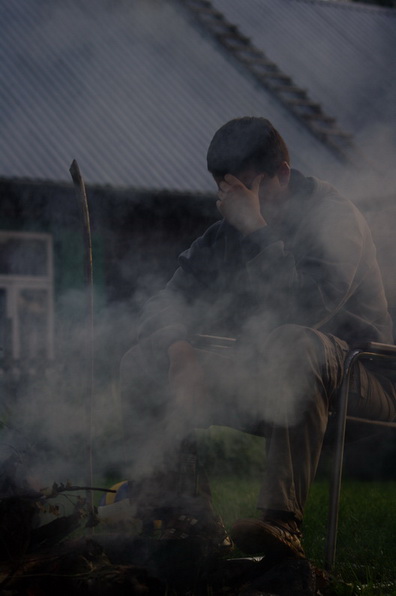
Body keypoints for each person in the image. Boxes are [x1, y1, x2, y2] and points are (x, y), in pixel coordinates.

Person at [120, 117, 396, 560]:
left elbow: (305, 308)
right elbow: (163, 301)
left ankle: (278, 526)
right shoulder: (228, 228)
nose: (237, 203)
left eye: (249, 189)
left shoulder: (336, 218)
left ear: (283, 173)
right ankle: (186, 519)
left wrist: (256, 230)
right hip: (273, 374)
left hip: (363, 380)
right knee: (141, 360)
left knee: (294, 342)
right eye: (229, 191)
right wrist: (178, 348)